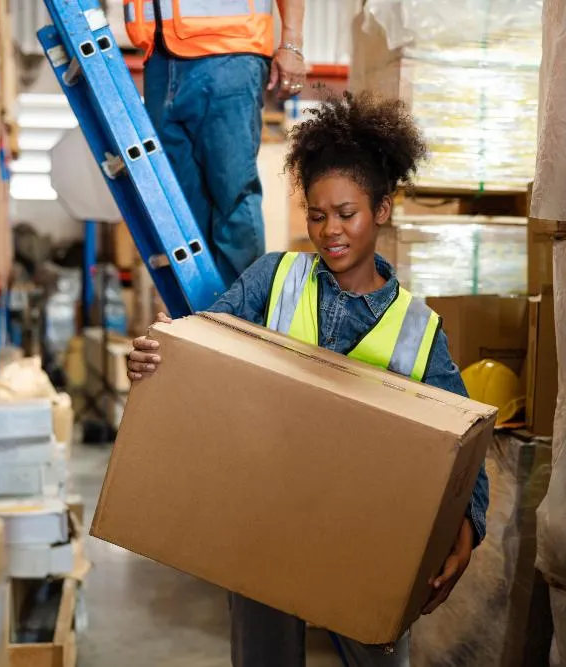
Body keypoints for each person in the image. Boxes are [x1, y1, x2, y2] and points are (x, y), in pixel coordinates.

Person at [127, 92, 490, 667]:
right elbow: (201, 348)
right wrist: (156, 357)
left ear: (382, 211)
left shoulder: (418, 328)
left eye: (347, 213)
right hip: (265, 519)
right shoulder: (275, 278)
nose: (330, 231)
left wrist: (468, 527)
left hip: (369, 533)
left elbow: (466, 441)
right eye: (317, 216)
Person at [124, 0, 307, 287]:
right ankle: (201, 320)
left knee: (232, 195)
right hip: (159, 56)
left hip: (229, 52)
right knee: (181, 206)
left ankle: (241, 320)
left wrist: (292, 44)